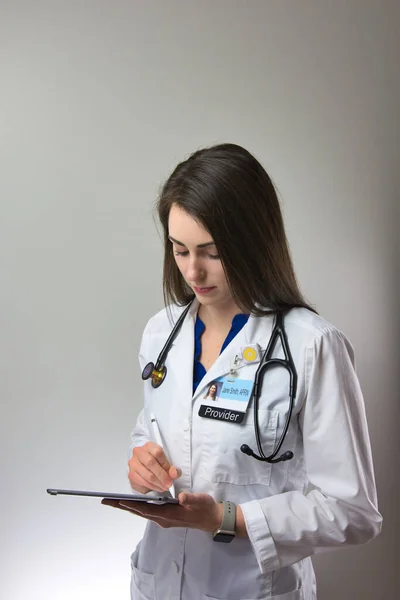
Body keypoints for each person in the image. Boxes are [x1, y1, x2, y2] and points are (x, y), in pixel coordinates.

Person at [103, 144, 382, 600]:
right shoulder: (162, 333)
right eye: (180, 250)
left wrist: (226, 519)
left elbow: (354, 512)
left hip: (251, 588)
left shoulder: (312, 346)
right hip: (158, 582)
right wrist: (144, 467)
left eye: (212, 252)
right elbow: (153, 432)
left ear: (253, 241)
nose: (193, 270)